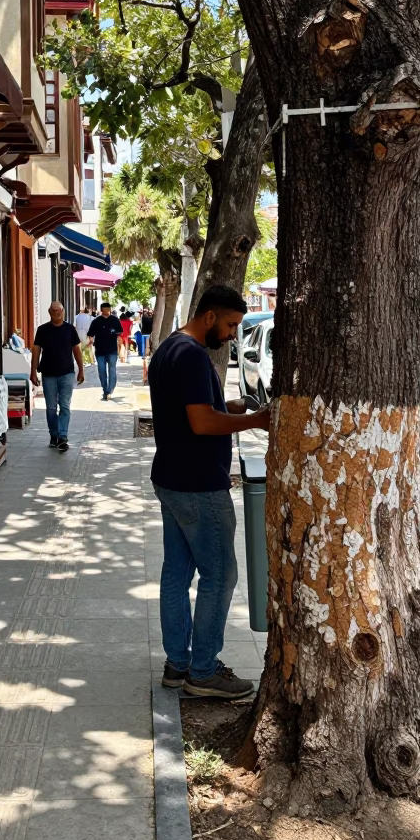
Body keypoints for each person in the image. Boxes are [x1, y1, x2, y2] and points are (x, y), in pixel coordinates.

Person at [148, 284, 270, 699]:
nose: (234, 333)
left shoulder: (168, 349)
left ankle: (177, 665)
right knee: (220, 576)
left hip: (171, 477)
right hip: (199, 483)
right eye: (233, 324)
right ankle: (202, 671)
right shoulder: (193, 356)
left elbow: (188, 414)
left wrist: (228, 410)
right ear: (211, 317)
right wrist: (254, 421)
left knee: (175, 575)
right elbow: (200, 423)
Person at [31, 302, 84, 452]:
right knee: (51, 408)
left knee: (65, 405)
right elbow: (36, 351)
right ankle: (54, 435)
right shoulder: (42, 330)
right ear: (49, 312)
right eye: (54, 311)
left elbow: (77, 350)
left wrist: (81, 369)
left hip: (67, 373)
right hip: (48, 374)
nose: (57, 313)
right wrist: (33, 371)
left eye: (60, 310)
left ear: (63, 311)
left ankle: (62, 436)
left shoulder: (70, 329)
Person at [88, 302, 123, 400]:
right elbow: (91, 333)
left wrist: (117, 337)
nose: (107, 311)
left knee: (112, 369)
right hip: (100, 350)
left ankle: (110, 389)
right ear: (102, 310)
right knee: (101, 371)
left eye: (109, 309)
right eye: (105, 309)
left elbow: (120, 331)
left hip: (112, 350)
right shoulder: (96, 321)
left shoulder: (115, 320)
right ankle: (105, 389)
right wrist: (91, 339)